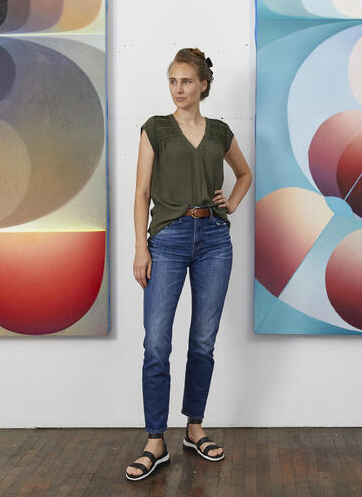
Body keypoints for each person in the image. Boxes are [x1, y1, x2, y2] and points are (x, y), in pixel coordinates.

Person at [125, 48, 252, 481]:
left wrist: (231, 202)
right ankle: (155, 440)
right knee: (157, 343)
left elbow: (244, 174)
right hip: (167, 240)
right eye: (172, 81)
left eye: (186, 81)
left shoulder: (219, 132)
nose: (178, 89)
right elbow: (142, 193)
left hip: (214, 239)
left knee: (202, 341)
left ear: (202, 85)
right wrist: (141, 248)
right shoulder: (155, 129)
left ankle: (194, 428)